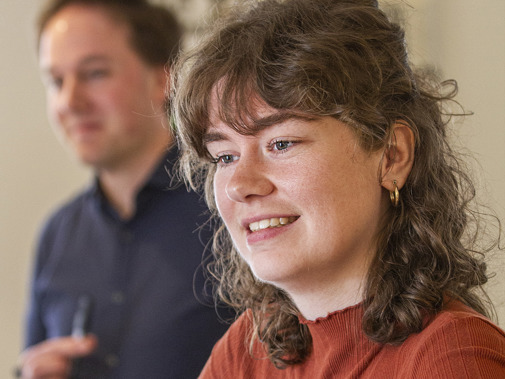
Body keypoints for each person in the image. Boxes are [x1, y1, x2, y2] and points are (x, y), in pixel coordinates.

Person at [170, 0, 505, 377]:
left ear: (392, 156)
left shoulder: (454, 357)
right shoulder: (246, 351)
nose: (240, 186)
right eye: (225, 157)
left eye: (281, 144)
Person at [17, 0, 230, 378]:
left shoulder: (232, 203)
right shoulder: (57, 235)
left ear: (163, 80)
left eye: (95, 73)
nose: (70, 101)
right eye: (56, 81)